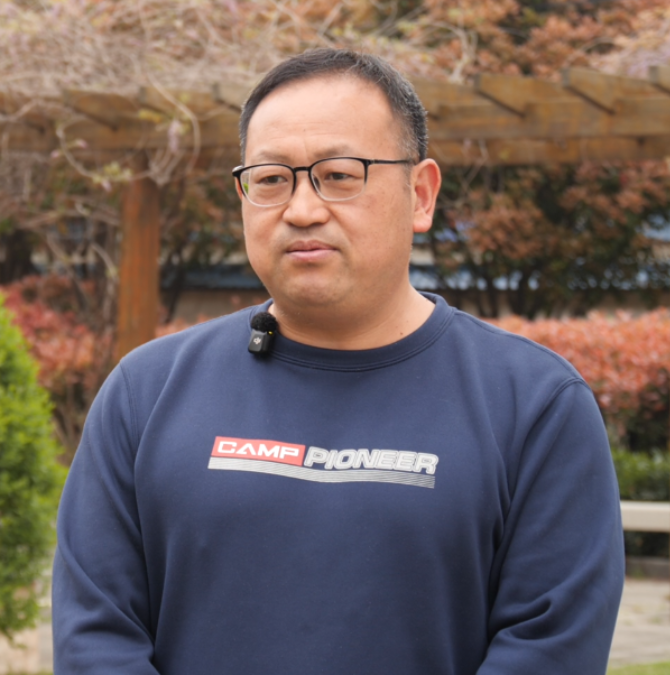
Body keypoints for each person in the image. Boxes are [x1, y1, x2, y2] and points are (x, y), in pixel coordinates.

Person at [53, 49, 624, 674]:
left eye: (340, 174)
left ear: (421, 195)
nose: (302, 209)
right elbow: (96, 638)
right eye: (271, 179)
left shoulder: (535, 405)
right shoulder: (146, 393)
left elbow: (549, 648)